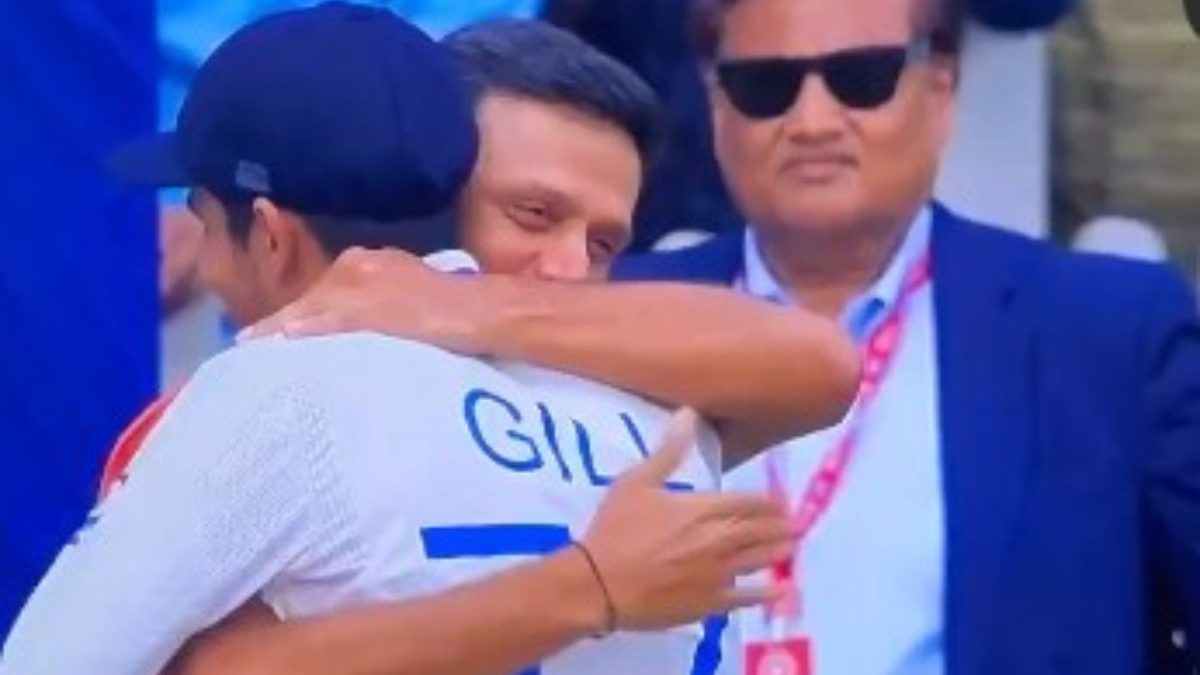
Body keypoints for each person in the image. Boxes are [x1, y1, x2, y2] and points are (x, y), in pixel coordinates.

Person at [254, 1, 1200, 674]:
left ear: (942, 88)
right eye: (765, 85)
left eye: (862, 77)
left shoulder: (1108, 329)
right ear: (715, 105)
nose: (815, 118)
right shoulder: (588, 306)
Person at [2, 8, 859, 675]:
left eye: (604, 243)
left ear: (266, 230)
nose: (564, 268)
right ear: (438, 171)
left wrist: (461, 306)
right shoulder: (665, 414)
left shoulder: (274, 397)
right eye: (533, 212)